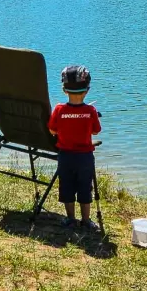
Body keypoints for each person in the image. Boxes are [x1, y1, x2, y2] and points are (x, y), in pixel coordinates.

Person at [47, 65, 102, 230]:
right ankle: (86, 220)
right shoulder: (91, 110)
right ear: (87, 91)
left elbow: (52, 130)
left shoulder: (59, 109)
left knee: (67, 187)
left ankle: (70, 219)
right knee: (85, 188)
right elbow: (96, 131)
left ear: (64, 90)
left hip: (65, 156)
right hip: (85, 158)